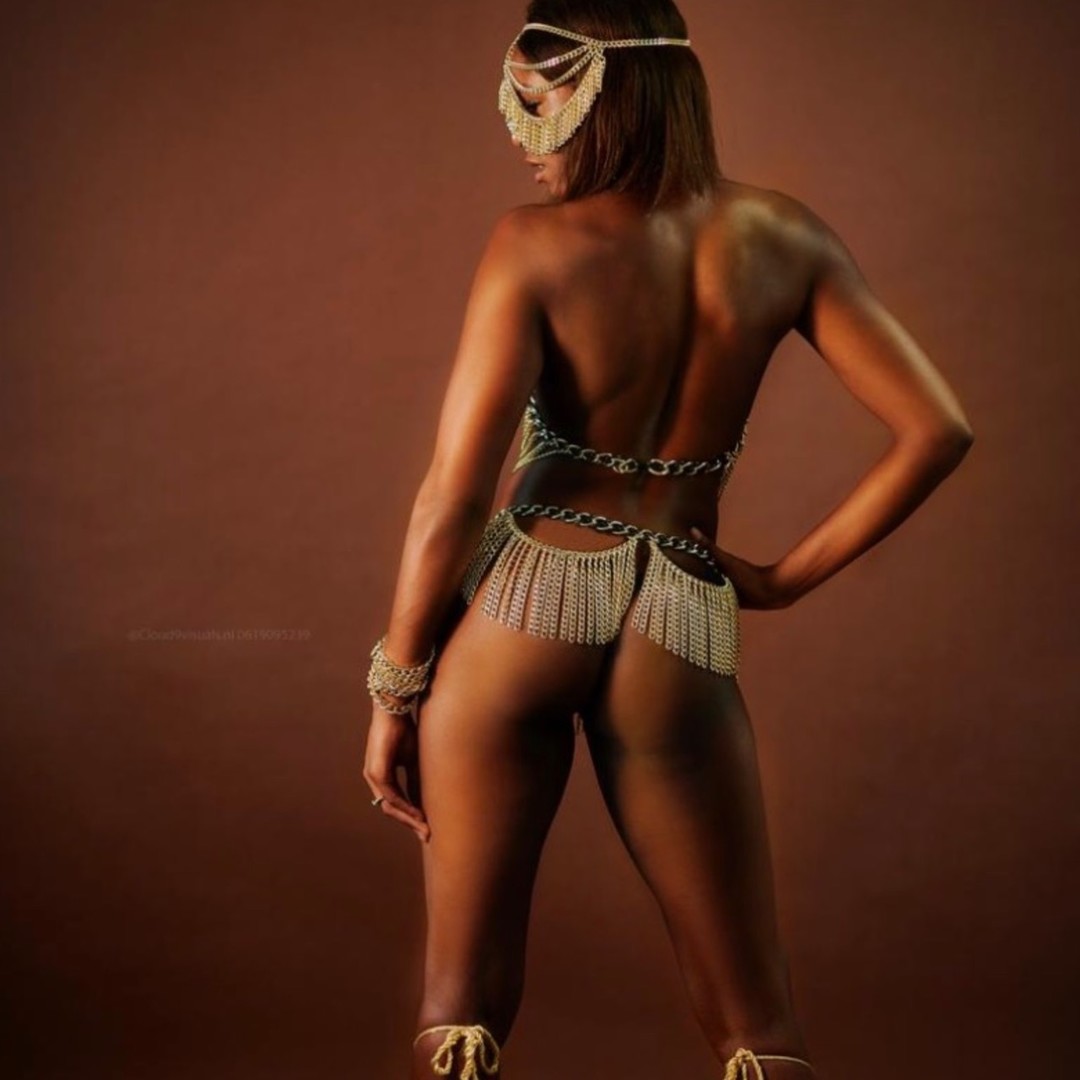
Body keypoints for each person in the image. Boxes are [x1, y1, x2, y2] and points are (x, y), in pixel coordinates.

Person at [362, 3, 975, 1078]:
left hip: (526, 604)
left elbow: (452, 495)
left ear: (600, 98)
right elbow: (938, 428)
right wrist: (781, 581)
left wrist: (395, 683)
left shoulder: (532, 244)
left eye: (537, 106)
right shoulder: (784, 236)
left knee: (461, 1001)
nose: (520, 137)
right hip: (679, 616)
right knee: (753, 1016)